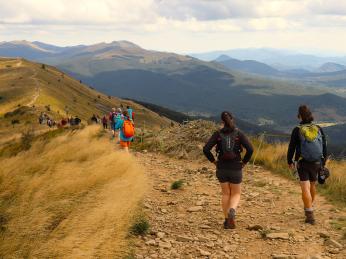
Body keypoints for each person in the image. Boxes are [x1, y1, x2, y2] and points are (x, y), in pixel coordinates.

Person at [203, 111, 253, 229]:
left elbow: (206, 149)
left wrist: (214, 161)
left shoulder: (217, 134)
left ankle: (226, 220)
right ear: (232, 119)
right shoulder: (239, 134)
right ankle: (232, 210)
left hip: (221, 168)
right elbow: (250, 149)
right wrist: (244, 162)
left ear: (222, 122)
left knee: (225, 193)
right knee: (236, 193)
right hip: (236, 167)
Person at [287, 105, 327, 225]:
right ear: (311, 115)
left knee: (305, 187)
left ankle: (309, 214)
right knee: (312, 186)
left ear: (299, 116)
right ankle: (309, 207)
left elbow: (291, 147)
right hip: (317, 162)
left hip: (302, 162)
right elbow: (324, 146)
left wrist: (289, 161)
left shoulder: (297, 129)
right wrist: (323, 162)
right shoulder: (318, 128)